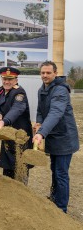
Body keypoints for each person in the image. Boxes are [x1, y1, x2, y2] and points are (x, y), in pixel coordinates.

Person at [33, 61, 79, 213]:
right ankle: (54, 199)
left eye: (48, 73)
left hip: (64, 137)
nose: (45, 75)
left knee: (61, 173)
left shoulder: (60, 90)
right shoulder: (42, 89)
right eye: (42, 73)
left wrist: (41, 133)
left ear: (55, 73)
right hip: (52, 136)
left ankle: (61, 209)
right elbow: (40, 110)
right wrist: (39, 123)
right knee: (54, 170)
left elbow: (55, 113)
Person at [0, 67, 33, 183]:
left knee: (21, 170)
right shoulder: (0, 91)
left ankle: (22, 196)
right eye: (4, 79)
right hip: (8, 138)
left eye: (10, 79)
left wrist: (4, 121)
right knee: (8, 170)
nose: (6, 82)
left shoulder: (19, 92)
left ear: (16, 79)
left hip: (20, 138)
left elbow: (17, 109)